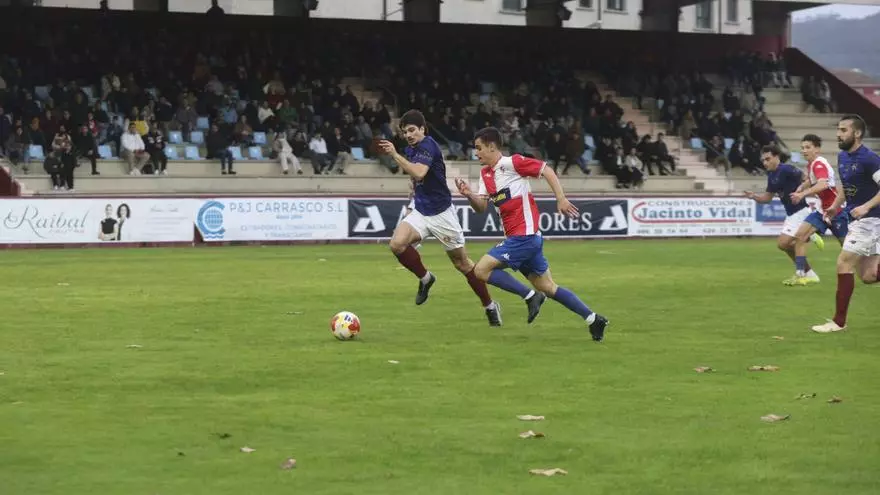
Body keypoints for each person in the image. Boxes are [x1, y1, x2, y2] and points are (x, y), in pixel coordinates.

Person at [455, 127, 609, 341]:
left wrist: (561, 198)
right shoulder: (485, 174)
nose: (476, 153)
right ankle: (594, 319)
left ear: (492, 147)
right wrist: (469, 194)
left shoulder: (513, 163)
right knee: (548, 287)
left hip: (524, 236)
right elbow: (481, 207)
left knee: (480, 270)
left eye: (479, 148)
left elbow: (547, 170)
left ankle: (530, 296)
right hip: (524, 240)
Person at [377, 110, 501, 326]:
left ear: (422, 129)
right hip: (421, 211)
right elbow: (417, 179)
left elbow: (419, 173)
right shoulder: (412, 149)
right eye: (405, 132)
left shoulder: (429, 145)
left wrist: (395, 155)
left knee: (463, 264)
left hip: (442, 214)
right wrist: (413, 196)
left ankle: (490, 305)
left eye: (412, 130)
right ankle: (426, 278)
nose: (408, 135)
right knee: (397, 244)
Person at [811, 115, 880, 333]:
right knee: (869, 275)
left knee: (843, 263)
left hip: (871, 220)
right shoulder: (843, 157)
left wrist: (866, 206)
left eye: (843, 130)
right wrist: (835, 206)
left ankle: (838, 322)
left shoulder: (870, 159)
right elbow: (846, 185)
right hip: (857, 219)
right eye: (838, 130)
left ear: (857, 133)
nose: (838, 134)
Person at [744, 144, 821, 285]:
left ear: (777, 157)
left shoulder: (787, 169)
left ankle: (801, 273)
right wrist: (753, 196)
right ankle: (809, 272)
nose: (765, 163)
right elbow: (767, 199)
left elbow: (808, 179)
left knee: (785, 243)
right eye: (763, 160)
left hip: (801, 211)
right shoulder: (771, 175)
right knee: (783, 245)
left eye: (768, 159)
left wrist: (801, 191)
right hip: (791, 214)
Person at [787, 134, 849, 285]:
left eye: (808, 147)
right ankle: (801, 274)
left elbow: (823, 184)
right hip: (822, 211)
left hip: (836, 211)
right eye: (802, 148)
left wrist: (802, 194)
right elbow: (812, 179)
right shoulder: (812, 164)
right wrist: (802, 187)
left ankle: (874, 267)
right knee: (800, 237)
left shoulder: (819, 164)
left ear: (817, 149)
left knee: (850, 248)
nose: (804, 150)